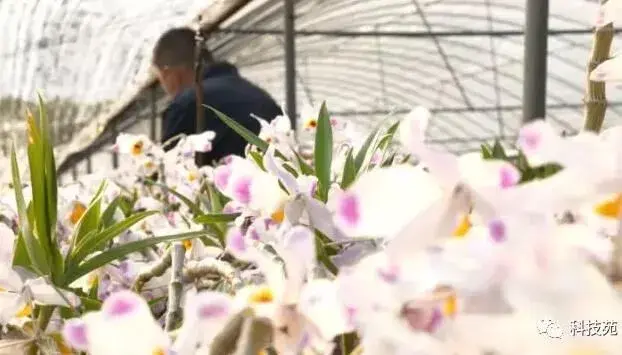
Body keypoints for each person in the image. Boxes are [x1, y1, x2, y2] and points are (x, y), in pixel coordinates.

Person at [152, 27, 282, 165]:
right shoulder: (260, 96)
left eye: (161, 79)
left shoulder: (185, 105)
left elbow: (171, 173)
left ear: (171, 75)